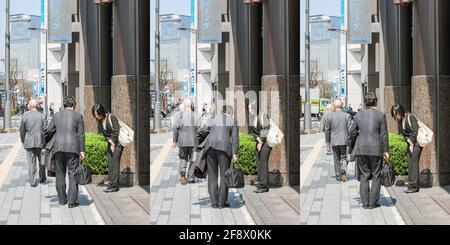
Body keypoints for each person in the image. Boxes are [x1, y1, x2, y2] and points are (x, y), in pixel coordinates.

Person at [350, 92, 389, 209]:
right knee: (376, 176)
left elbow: (352, 132)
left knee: (364, 175)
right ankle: (373, 203)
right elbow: (384, 135)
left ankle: (365, 203)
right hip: (376, 150)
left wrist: (356, 143)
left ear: (365, 102)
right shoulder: (380, 115)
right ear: (376, 101)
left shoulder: (357, 115)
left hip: (361, 149)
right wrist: (386, 151)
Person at [44, 96, 85, 208]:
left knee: (60, 174)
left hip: (58, 148)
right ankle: (72, 202)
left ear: (64, 105)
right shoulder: (78, 116)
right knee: (72, 174)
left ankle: (62, 200)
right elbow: (81, 135)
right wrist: (82, 150)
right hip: (73, 149)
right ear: (74, 105)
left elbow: (49, 130)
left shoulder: (56, 116)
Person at [200, 105, 239, 209]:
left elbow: (203, 130)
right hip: (224, 149)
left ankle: (214, 203)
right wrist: (234, 153)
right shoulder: (233, 121)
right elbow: (235, 138)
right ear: (231, 113)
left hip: (210, 147)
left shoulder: (213, 118)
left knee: (212, 175)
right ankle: (222, 203)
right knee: (224, 175)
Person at [92, 104, 123, 193]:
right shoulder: (101, 120)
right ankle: (110, 184)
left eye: (97, 114)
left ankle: (114, 186)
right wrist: (110, 142)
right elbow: (104, 134)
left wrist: (113, 143)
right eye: (95, 115)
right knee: (110, 164)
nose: (96, 116)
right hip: (110, 143)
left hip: (118, 144)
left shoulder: (111, 117)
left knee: (115, 163)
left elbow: (116, 131)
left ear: (101, 112)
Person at [391, 104, 422, 193]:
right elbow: (404, 134)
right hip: (410, 143)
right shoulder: (401, 121)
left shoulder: (410, 116)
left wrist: (411, 143)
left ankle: (414, 187)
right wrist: (408, 141)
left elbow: (415, 130)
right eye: (394, 115)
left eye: (396, 114)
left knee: (414, 164)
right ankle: (411, 184)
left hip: (417, 143)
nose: (395, 117)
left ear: (400, 112)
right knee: (410, 163)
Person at [19, 99, 47, 187]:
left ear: (29, 106)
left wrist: (23, 140)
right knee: (42, 160)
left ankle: (33, 180)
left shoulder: (25, 116)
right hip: (41, 142)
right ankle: (42, 178)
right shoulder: (42, 116)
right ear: (37, 106)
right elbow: (46, 130)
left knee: (31, 162)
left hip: (29, 142)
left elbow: (22, 130)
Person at [172, 99, 199, 184]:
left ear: (184, 105)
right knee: (193, 160)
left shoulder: (179, 115)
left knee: (183, 159)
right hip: (194, 143)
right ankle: (191, 177)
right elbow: (200, 129)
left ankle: (182, 174)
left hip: (182, 142)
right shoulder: (196, 116)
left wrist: (174, 141)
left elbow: (175, 129)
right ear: (192, 106)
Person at [325, 100, 352, 182]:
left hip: (334, 140)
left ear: (334, 106)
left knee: (336, 158)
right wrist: (350, 141)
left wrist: (328, 141)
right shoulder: (347, 116)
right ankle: (343, 174)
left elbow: (327, 130)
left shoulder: (329, 116)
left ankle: (338, 175)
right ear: (342, 106)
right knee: (343, 157)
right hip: (344, 140)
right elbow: (350, 129)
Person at [249, 102, 272, 193]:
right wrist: (257, 139)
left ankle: (264, 186)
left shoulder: (263, 115)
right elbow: (253, 131)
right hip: (259, 142)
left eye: (250, 108)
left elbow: (266, 128)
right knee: (258, 162)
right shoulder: (253, 118)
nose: (249, 110)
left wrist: (261, 141)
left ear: (255, 108)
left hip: (266, 143)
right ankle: (261, 182)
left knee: (263, 163)